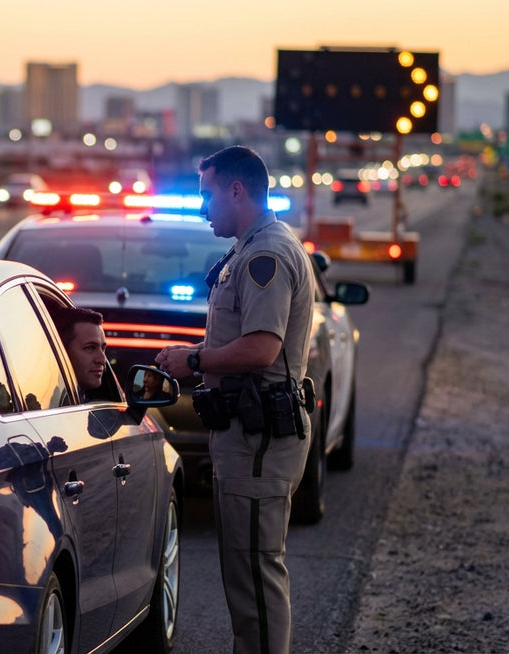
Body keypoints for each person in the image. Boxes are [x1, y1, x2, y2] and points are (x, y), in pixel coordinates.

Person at [155, 145, 315, 654]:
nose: (203, 207)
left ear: (237, 190)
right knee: (244, 571)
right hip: (247, 434)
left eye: (207, 194)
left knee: (255, 574)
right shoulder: (250, 248)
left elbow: (262, 348)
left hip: (260, 437)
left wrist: (195, 361)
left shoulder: (265, 255)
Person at [50, 306, 108, 400]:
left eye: (103, 348)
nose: (102, 359)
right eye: (90, 348)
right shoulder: (51, 402)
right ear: (63, 351)